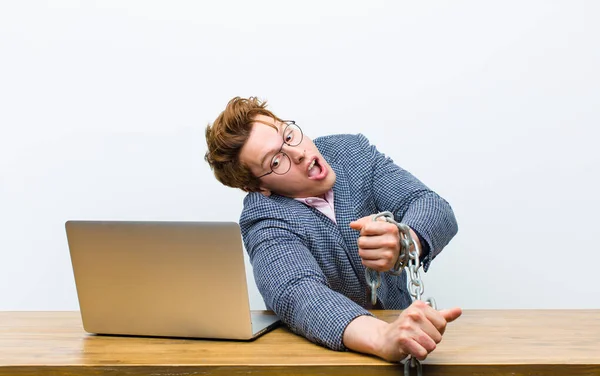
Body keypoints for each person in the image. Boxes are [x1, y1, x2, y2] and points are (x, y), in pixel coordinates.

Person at [204, 96, 462, 362]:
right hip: (328, 359)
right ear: (259, 187)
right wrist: (381, 337)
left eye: (289, 135)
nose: (298, 152)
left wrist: (406, 241)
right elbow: (297, 290)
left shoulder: (351, 152)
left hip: (411, 342)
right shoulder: (263, 217)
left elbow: (429, 204)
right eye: (276, 161)